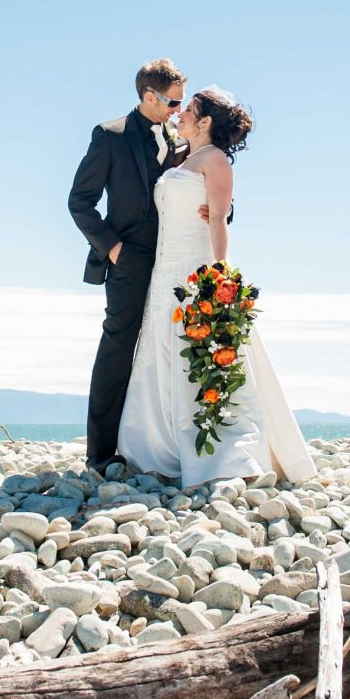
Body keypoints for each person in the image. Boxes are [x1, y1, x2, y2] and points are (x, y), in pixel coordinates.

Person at [117, 89, 315, 485]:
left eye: (188, 110)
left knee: (204, 348)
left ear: (205, 121)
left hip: (194, 266)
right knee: (161, 346)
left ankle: (223, 454)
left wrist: (218, 274)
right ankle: (157, 446)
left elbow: (218, 218)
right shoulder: (182, 157)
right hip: (164, 270)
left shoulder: (216, 159)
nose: (181, 114)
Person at [69, 58, 190, 472]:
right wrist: (113, 248)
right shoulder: (110, 135)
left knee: (171, 347)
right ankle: (100, 451)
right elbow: (79, 202)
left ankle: (162, 442)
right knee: (119, 347)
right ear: (148, 96)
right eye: (173, 102)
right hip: (129, 258)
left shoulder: (180, 138)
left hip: (177, 258)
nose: (179, 108)